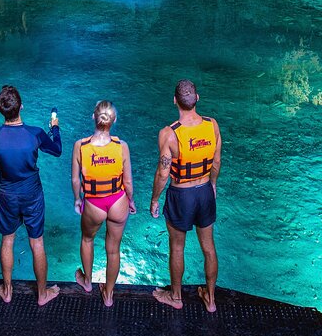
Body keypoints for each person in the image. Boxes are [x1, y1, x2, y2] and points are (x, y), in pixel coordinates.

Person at [0, 85, 62, 306]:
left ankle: (7, 290)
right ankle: (42, 293)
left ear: (1, 110)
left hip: (7, 194)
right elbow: (56, 150)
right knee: (37, 242)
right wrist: (55, 128)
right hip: (32, 193)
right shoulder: (35, 133)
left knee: (7, 240)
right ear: (21, 107)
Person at [150, 80, 221, 312]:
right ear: (197, 99)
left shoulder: (169, 134)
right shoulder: (212, 125)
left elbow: (163, 173)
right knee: (209, 247)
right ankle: (210, 299)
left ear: (174, 101)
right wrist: (212, 185)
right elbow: (217, 162)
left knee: (177, 248)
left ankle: (176, 297)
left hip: (181, 195)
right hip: (204, 192)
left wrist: (155, 199)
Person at [71, 101, 136, 307]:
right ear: (113, 120)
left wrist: (77, 199)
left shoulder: (81, 146)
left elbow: (75, 180)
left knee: (88, 239)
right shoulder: (121, 146)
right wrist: (131, 201)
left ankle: (88, 282)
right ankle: (108, 294)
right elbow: (127, 182)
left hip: (94, 204)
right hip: (117, 201)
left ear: (93, 117)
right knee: (113, 250)